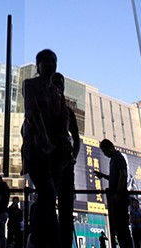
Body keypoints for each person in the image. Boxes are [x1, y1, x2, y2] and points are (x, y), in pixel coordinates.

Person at [22, 49, 71, 248]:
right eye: (47, 61)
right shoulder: (30, 84)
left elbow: (63, 118)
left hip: (56, 153)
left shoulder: (57, 93)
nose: (51, 64)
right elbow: (32, 111)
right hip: (37, 148)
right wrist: (42, 135)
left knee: (47, 198)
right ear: (38, 65)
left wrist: (64, 140)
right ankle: (53, 243)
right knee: (48, 194)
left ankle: (35, 239)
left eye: (54, 61)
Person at [53, 73, 81, 248]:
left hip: (65, 163)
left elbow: (77, 138)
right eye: (56, 83)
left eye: (61, 83)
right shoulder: (44, 105)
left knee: (66, 209)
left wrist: (73, 158)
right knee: (45, 205)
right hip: (49, 162)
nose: (59, 86)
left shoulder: (68, 111)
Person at [95, 139, 132, 248]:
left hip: (119, 197)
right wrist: (103, 176)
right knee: (119, 228)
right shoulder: (113, 159)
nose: (105, 154)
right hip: (116, 197)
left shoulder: (118, 157)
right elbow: (114, 177)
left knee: (122, 228)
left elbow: (123, 175)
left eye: (104, 151)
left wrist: (118, 193)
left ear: (109, 147)